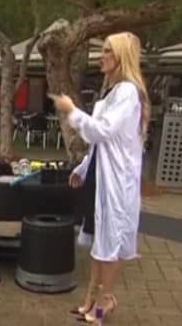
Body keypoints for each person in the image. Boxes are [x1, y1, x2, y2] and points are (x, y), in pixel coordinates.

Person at [49, 32, 150, 323]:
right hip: (102, 176)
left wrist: (72, 112)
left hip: (117, 183)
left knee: (110, 245)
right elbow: (100, 143)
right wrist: (83, 168)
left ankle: (105, 302)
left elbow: (101, 131)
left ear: (121, 57)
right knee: (99, 242)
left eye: (107, 51)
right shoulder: (113, 92)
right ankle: (91, 298)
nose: (101, 56)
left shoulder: (128, 93)